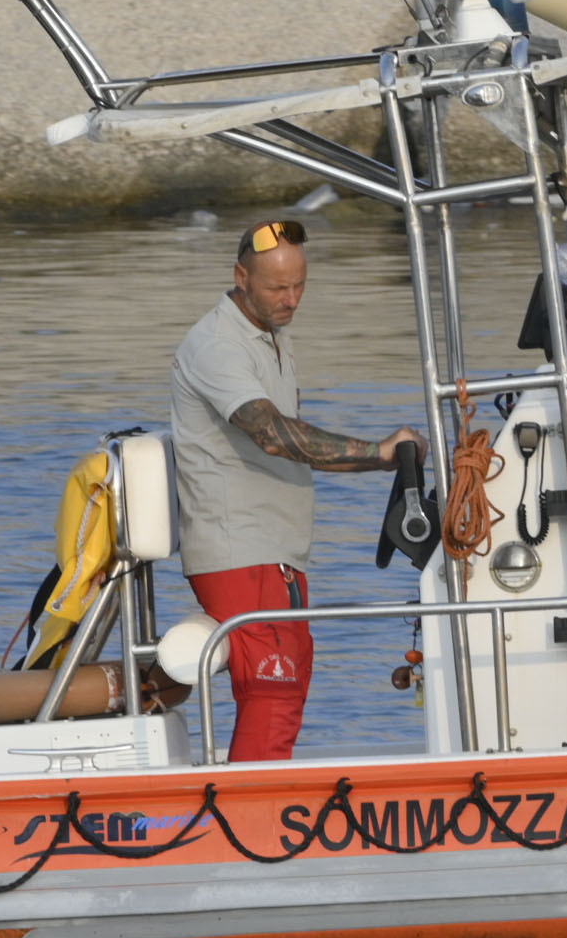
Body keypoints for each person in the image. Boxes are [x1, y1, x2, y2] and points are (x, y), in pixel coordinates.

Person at [168, 214, 418, 761]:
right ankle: (246, 820)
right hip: (239, 550)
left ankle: (260, 806)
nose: (291, 300)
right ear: (241, 276)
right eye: (278, 287)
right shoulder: (217, 344)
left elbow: (300, 446)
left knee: (289, 685)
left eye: (300, 285)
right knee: (272, 691)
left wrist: (384, 464)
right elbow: (275, 435)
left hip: (277, 554)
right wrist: (377, 451)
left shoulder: (269, 336)